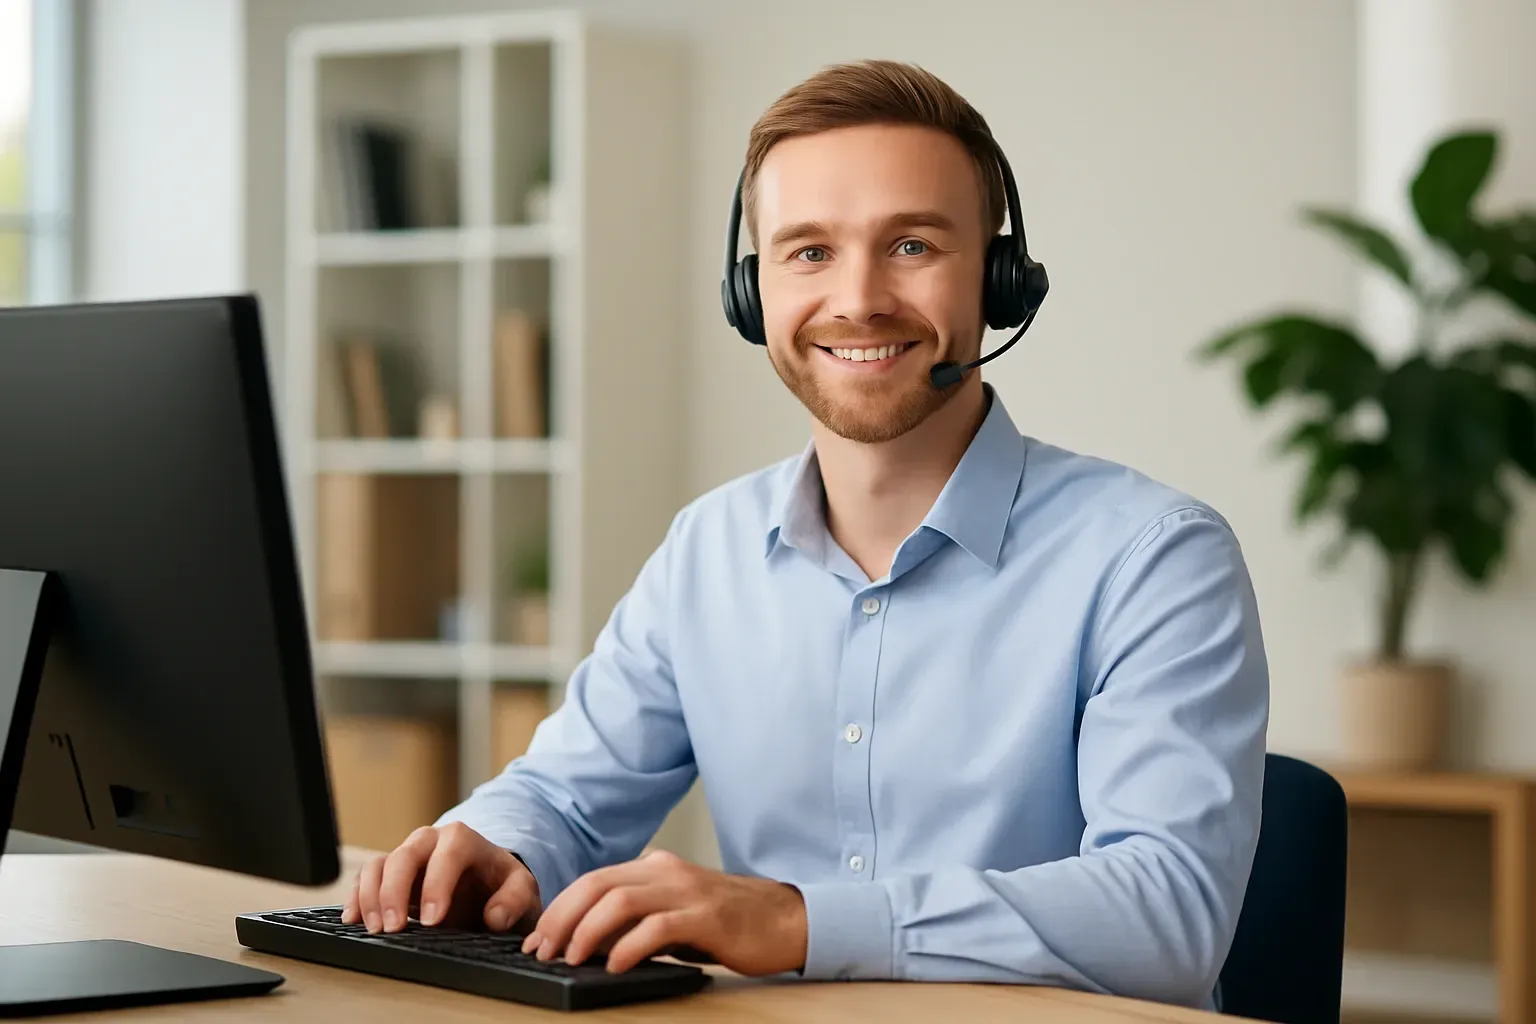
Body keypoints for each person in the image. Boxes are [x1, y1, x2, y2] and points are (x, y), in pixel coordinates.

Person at [342, 58, 1269, 1011]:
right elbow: (567, 796)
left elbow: (1171, 915)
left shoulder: (1154, 557)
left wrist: (796, 921)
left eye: (911, 245)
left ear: (997, 278)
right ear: (753, 293)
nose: (858, 299)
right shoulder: (709, 550)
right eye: (809, 251)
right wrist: (488, 845)